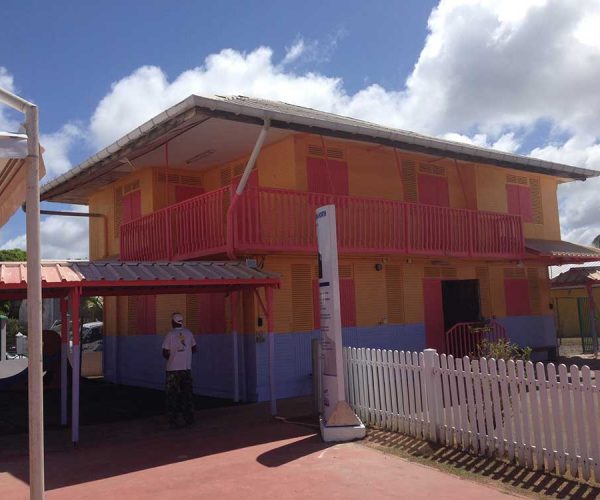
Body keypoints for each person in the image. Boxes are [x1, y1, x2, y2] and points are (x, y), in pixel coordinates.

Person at [162, 312, 197, 427]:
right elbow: (194, 348)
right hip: (186, 369)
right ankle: (189, 418)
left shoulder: (170, 335)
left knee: (172, 395)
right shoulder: (189, 333)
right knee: (187, 394)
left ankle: (173, 419)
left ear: (173, 322)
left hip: (172, 370)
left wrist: (173, 357)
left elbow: (165, 352)